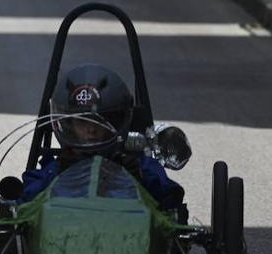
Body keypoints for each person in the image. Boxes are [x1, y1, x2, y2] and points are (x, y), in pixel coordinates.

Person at [16, 64, 183, 209]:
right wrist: (59, 171)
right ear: (68, 126)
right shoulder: (55, 168)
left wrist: (137, 176)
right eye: (82, 122)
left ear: (117, 122)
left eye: (98, 122)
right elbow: (25, 196)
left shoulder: (139, 167)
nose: (91, 130)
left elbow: (171, 198)